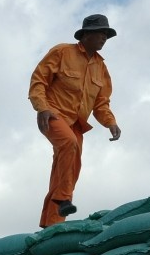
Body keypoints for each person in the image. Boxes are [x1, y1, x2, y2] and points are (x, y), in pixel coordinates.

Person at [28, 13, 122, 228]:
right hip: (52, 114)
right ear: (86, 35)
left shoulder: (101, 68)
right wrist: (42, 107)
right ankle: (64, 199)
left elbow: (101, 104)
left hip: (77, 124)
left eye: (106, 34)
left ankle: (52, 223)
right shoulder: (62, 52)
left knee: (70, 166)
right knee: (68, 144)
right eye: (101, 33)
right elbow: (38, 80)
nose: (104, 38)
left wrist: (110, 122)